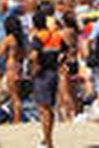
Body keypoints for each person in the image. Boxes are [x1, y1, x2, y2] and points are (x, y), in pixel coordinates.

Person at [29, 10, 66, 148]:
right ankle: (47, 139)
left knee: (43, 110)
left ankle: (48, 142)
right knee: (49, 109)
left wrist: (35, 68)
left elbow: (33, 55)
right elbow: (66, 51)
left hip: (42, 74)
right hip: (53, 73)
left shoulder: (38, 37)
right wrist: (61, 63)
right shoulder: (56, 36)